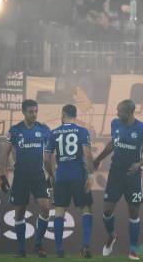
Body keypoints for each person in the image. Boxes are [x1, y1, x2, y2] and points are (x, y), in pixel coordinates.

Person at [93, 99, 143, 260]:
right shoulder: (115, 123)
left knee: (134, 212)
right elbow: (112, 144)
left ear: (130, 112)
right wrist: (98, 159)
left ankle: (133, 249)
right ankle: (111, 235)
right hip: (115, 174)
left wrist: (139, 163)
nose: (117, 113)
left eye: (120, 111)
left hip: (133, 176)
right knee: (107, 210)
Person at [0, 99, 53, 258]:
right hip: (21, 175)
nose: (34, 114)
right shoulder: (15, 130)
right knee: (20, 211)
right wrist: (2, 175)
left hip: (38, 175)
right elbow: (5, 153)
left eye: (36, 111)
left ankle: (38, 244)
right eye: (31, 111)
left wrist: (51, 174)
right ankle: (21, 249)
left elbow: (49, 154)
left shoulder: (44, 129)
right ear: (23, 112)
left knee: (45, 207)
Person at [47, 104, 95, 258]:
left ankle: (59, 249)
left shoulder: (54, 133)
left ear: (63, 115)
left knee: (59, 211)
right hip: (79, 176)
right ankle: (85, 246)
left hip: (61, 177)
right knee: (86, 210)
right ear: (75, 115)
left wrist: (52, 175)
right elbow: (88, 155)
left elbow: (46, 159)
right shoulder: (82, 131)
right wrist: (91, 175)